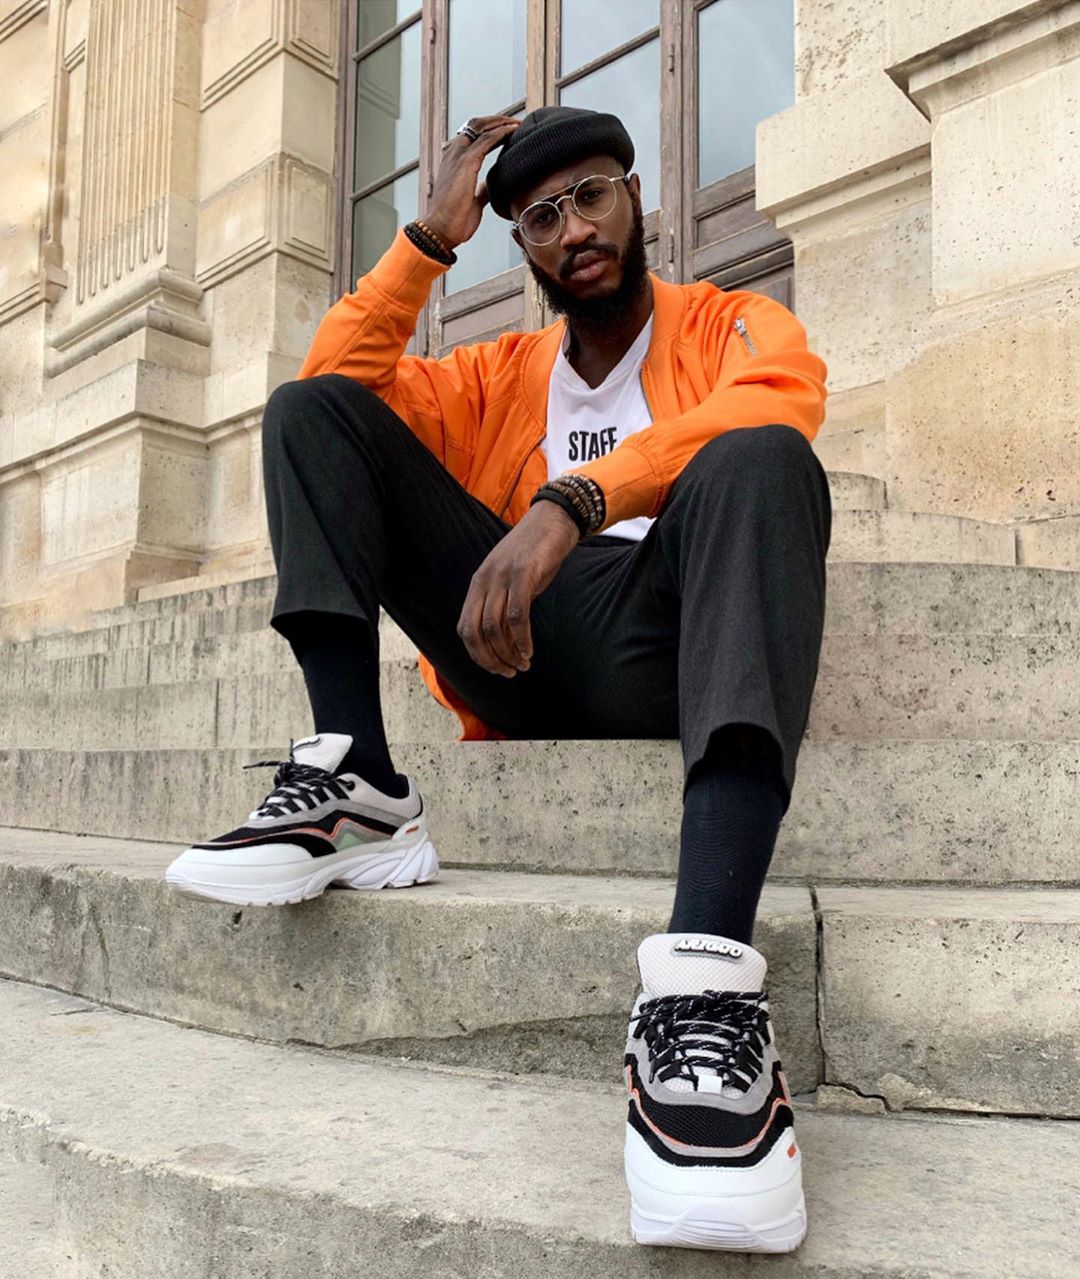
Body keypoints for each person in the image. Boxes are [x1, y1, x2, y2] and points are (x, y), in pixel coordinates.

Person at [165, 106, 831, 1254]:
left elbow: (781, 398)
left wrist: (570, 505)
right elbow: (333, 392)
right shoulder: (494, 376)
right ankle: (359, 777)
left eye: (592, 195)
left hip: (669, 637)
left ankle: (705, 988)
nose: (575, 229)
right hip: (517, 653)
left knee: (764, 457)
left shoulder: (725, 322)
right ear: (522, 246)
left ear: (636, 197)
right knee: (308, 410)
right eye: (541, 216)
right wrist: (428, 242)